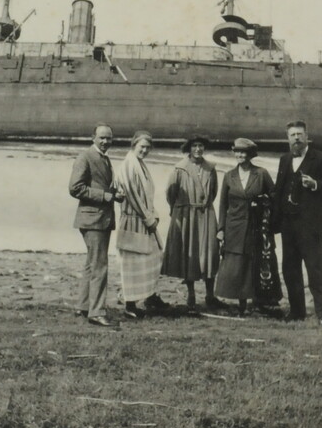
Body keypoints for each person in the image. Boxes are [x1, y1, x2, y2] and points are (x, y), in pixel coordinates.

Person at [274, 119, 322, 323]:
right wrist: (274, 222)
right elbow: (279, 191)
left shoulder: (320, 158)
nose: (296, 139)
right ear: (288, 138)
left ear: (306, 136)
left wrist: (314, 184)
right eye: (292, 135)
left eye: (299, 135)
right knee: (290, 270)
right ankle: (297, 312)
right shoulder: (284, 159)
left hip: (310, 226)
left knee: (316, 269)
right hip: (288, 226)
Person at [211, 137, 276, 315]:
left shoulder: (261, 173)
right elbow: (223, 205)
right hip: (234, 227)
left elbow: (274, 195)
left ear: (250, 155)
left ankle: (255, 302)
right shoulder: (228, 175)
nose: (240, 155)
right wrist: (221, 229)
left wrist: (262, 203)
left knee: (253, 263)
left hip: (256, 227)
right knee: (236, 265)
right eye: (237, 151)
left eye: (243, 152)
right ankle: (239, 303)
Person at [67, 123, 121, 327]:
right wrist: (106, 196)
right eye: (102, 138)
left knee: (91, 264)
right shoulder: (85, 157)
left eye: (109, 138)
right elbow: (75, 188)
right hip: (92, 219)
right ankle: (97, 312)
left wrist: (115, 195)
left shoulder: (104, 159)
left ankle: (83, 306)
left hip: (100, 218)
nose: (106, 141)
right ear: (93, 137)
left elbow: (101, 187)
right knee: (100, 266)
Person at [163, 135, 219, 311]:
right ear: (189, 148)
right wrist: (179, 209)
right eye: (194, 146)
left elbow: (214, 192)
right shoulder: (180, 168)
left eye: (201, 145)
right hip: (186, 214)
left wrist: (203, 206)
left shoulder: (211, 168)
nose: (198, 149)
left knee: (209, 253)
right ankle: (191, 293)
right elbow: (170, 193)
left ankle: (210, 294)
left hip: (206, 213)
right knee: (189, 252)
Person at [116, 131, 165, 317]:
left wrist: (154, 214)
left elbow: (147, 196)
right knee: (132, 263)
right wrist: (149, 219)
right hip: (133, 221)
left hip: (143, 219)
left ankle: (150, 296)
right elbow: (133, 196)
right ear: (133, 145)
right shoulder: (128, 165)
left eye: (147, 148)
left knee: (154, 257)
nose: (144, 150)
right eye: (141, 147)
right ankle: (130, 305)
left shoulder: (140, 164)